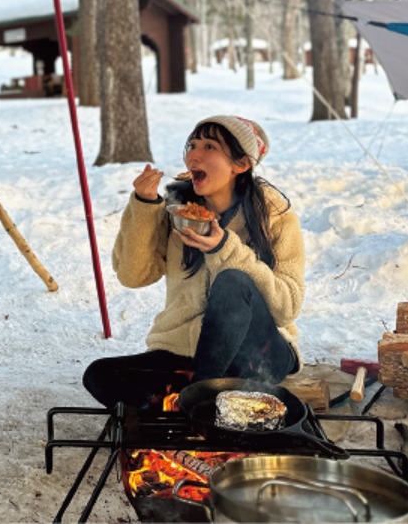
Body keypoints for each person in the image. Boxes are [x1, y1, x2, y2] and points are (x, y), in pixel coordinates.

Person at [82, 115, 304, 409]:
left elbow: (286, 307)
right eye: (192, 145)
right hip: (185, 352)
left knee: (233, 280)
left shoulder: (275, 217)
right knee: (100, 375)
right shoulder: (179, 210)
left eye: (209, 147)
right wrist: (145, 206)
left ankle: (197, 402)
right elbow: (133, 276)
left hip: (257, 354)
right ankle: (184, 411)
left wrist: (226, 248)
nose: (193, 156)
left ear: (241, 165)